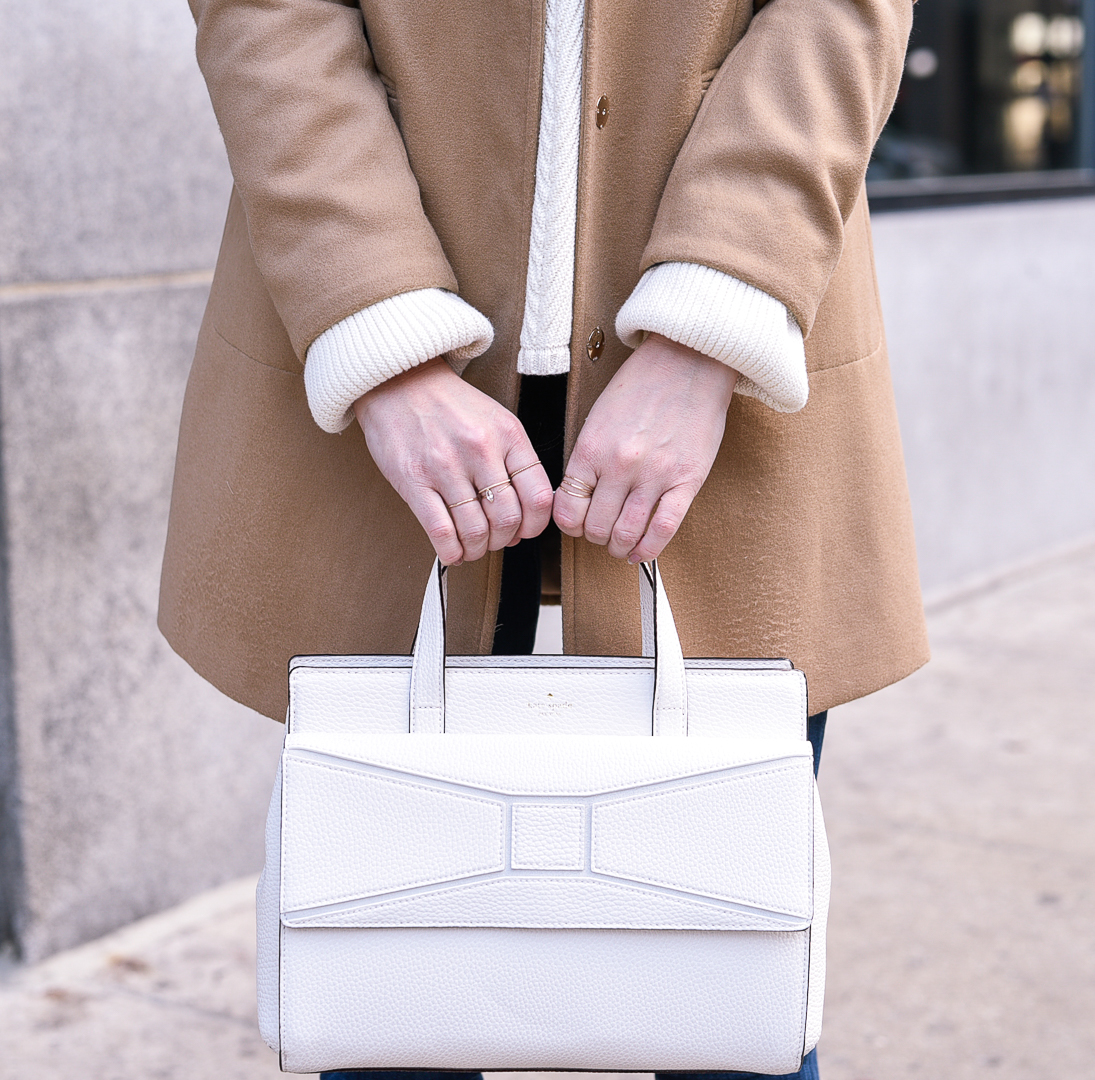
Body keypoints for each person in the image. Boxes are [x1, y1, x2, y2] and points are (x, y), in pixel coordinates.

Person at [162, 0, 928, 1076]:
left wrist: (715, 317)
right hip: (391, 388)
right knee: (394, 991)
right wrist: (377, 330)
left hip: (727, 386)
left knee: (723, 983)